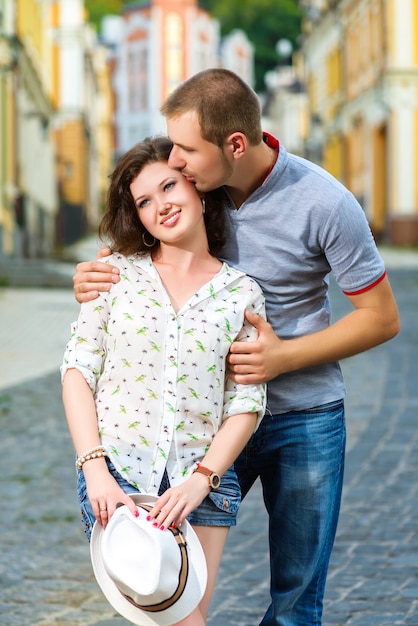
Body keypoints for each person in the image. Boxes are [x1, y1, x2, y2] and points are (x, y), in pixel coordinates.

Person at [72, 69, 400, 626]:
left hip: (302, 416)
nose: (175, 161)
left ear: (235, 145)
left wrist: (283, 358)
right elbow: (143, 236)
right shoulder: (196, 187)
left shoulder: (325, 202)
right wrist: (92, 276)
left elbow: (383, 318)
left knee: (297, 596)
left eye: (185, 150)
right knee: (176, 594)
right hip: (201, 424)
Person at [61, 135, 266, 626]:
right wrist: (95, 471)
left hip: (204, 483)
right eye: (144, 202)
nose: (161, 206)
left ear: (195, 188)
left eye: (168, 186)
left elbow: (246, 401)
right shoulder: (113, 275)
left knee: (189, 614)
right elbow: (77, 371)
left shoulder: (241, 293)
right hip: (119, 479)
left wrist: (202, 481)